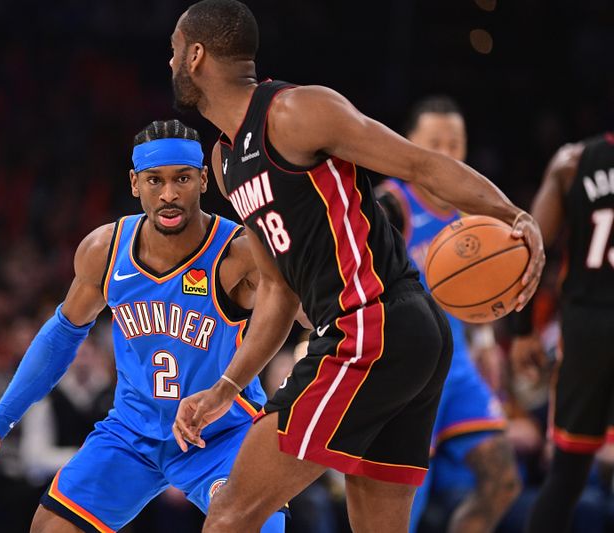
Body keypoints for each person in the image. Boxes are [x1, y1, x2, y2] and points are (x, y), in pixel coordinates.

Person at [168, 2, 545, 532]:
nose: (169, 64)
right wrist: (226, 387)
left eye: (173, 52)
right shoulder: (225, 162)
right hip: (398, 335)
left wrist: (511, 214)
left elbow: (420, 165)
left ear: (196, 55)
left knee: (231, 512)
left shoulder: (296, 112)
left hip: (372, 325)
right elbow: (278, 292)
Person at [0, 119, 287, 533]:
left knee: (248, 526)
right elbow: (60, 338)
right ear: (134, 183)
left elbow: (291, 312)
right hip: (132, 433)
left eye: (183, 178)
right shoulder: (105, 251)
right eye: (155, 180)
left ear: (204, 180)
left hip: (222, 435)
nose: (170, 194)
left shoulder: (239, 255)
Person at [375, 96, 521, 532]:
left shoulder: (472, 210)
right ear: (410, 145)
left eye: (455, 143)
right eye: (434, 142)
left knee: (503, 480)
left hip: (456, 368)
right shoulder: (389, 205)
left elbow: (482, 288)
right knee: (403, 507)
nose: (446, 153)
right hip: (406, 372)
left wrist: (484, 343)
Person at [508, 133, 614, 533]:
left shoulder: (573, 162)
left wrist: (521, 332)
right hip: (586, 325)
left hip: (586, 331)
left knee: (568, 474)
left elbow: (530, 248)